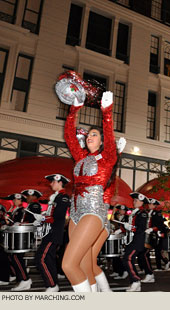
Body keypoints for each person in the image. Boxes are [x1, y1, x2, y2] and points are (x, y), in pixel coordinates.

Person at [62, 91, 118, 292]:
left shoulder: (108, 157)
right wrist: (74, 109)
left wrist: (107, 112)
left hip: (94, 212)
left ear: (102, 141)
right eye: (88, 135)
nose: (89, 137)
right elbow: (69, 136)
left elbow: (110, 137)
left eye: (94, 134)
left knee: (68, 265)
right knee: (85, 265)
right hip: (75, 212)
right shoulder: (81, 158)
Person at [34, 174, 71, 292]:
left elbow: (59, 215)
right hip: (49, 231)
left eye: (52, 182)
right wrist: (42, 218)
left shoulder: (63, 197)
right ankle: (52, 284)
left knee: (41, 258)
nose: (50, 184)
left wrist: (43, 218)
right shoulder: (56, 197)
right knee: (48, 259)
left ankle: (52, 285)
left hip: (54, 232)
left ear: (59, 182)